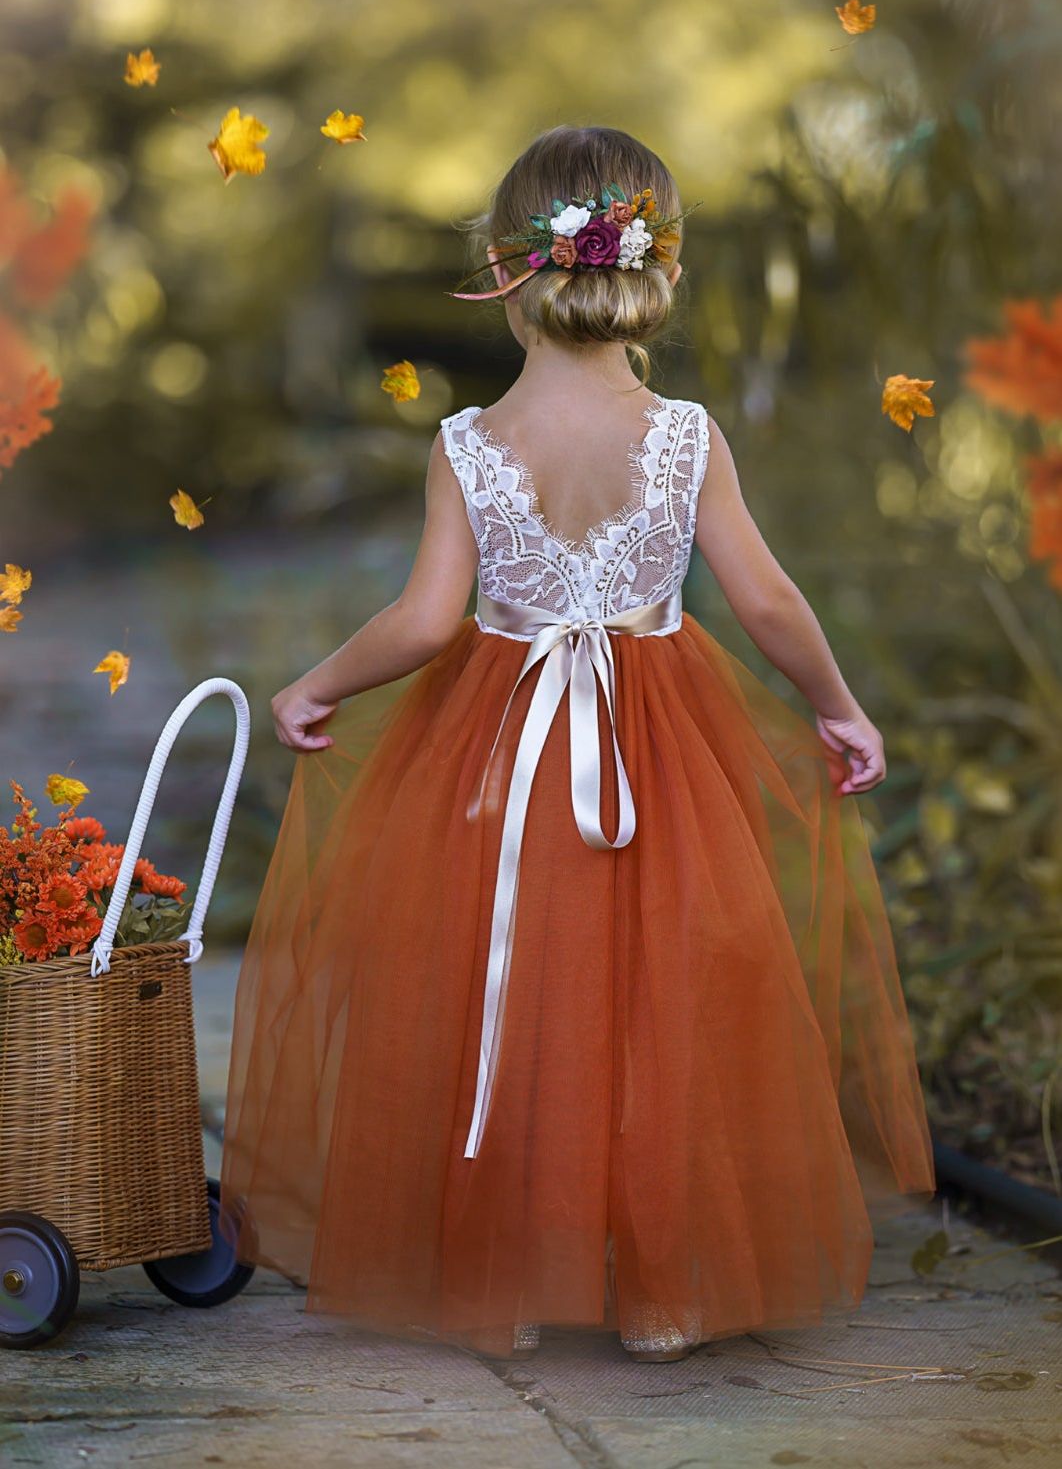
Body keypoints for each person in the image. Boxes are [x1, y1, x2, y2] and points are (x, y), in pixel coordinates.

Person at [220, 124, 935, 1362]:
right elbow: (764, 600)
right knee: (662, 998)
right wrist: (836, 703)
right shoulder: (685, 434)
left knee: (503, 990)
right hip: (662, 746)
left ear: (507, 272)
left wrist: (313, 683)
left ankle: (500, 1286)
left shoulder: (468, 446)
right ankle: (664, 1294)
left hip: (496, 752)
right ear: (650, 263)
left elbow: (426, 620)